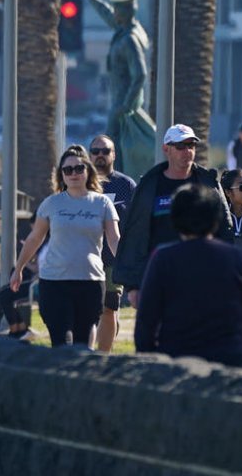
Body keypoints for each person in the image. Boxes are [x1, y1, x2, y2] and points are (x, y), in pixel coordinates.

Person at [135, 184, 242, 368]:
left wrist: (146, 355)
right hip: (229, 357)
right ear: (217, 218)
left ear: (175, 218)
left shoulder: (163, 258)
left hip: (178, 358)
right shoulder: (236, 257)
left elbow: (147, 316)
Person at [10, 146, 120, 347]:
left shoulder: (102, 203)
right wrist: (18, 269)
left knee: (83, 347)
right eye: (67, 170)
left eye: (78, 168)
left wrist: (125, 267)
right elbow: (35, 239)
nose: (73, 174)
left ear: (88, 170)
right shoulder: (52, 203)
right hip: (54, 283)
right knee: (62, 344)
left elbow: (114, 239)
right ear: (61, 175)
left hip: (91, 282)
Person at [114, 124, 232, 308]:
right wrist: (133, 286)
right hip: (160, 274)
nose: (187, 151)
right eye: (180, 146)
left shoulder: (207, 182)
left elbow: (225, 228)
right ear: (166, 149)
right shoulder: (149, 186)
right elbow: (135, 236)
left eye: (191, 146)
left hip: (202, 274)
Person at [78, 0, 154, 178]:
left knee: (111, 146)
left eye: (117, 10)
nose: (114, 13)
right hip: (123, 101)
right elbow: (106, 13)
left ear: (124, 13)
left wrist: (126, 105)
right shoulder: (127, 28)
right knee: (120, 146)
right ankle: (116, 178)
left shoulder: (130, 39)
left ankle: (114, 181)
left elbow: (140, 74)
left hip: (123, 103)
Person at [89, 135, 136, 353]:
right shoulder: (80, 183)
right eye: (95, 151)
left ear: (113, 154)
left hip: (113, 257)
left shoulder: (126, 185)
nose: (100, 155)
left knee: (109, 307)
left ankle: (102, 356)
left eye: (105, 151)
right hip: (85, 256)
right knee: (91, 310)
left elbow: (136, 221)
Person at [0, 213, 42, 339]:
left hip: (39, 282)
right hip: (33, 279)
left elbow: (39, 268)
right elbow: (35, 266)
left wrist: (30, 258)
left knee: (3, 295)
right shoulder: (40, 242)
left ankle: (18, 329)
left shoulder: (47, 242)